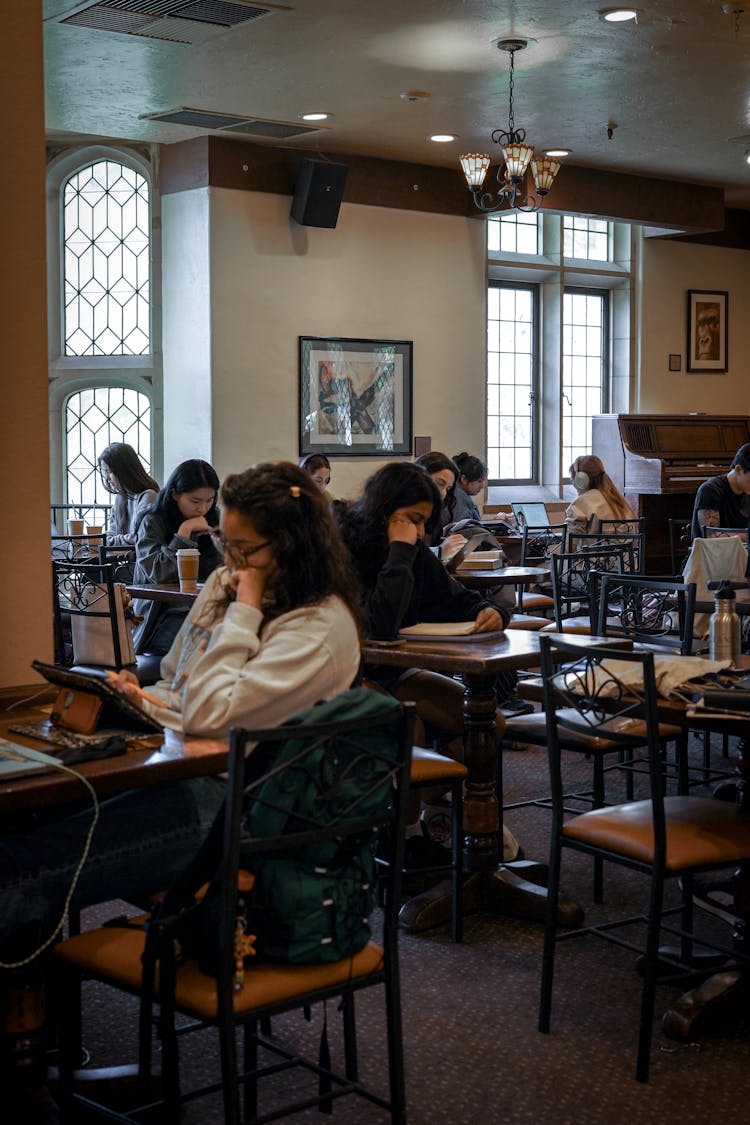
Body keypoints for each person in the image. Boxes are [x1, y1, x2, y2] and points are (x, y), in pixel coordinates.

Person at [0, 461, 362, 944]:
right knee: (27, 819)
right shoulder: (227, 584)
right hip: (181, 767)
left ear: (294, 547)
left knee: (25, 868)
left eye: (245, 550)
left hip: (241, 811)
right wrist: (137, 700)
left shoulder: (316, 627)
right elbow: (179, 682)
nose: (229, 564)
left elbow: (210, 713)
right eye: (224, 544)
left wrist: (244, 614)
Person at [334, 462, 514, 862]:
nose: (419, 533)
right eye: (412, 520)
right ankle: (408, 838)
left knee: (488, 724)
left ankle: (417, 808)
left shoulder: (414, 551)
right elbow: (379, 626)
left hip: (392, 671)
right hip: (345, 674)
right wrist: (399, 551)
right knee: (408, 722)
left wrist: (490, 611)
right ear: (384, 511)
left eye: (424, 523)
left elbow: (454, 597)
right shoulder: (345, 547)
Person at [132, 459, 223, 656]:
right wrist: (182, 536)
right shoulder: (152, 521)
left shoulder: (213, 518)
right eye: (195, 501)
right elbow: (159, 575)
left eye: (210, 500)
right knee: (205, 645)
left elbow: (223, 568)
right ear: (175, 494)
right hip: (161, 617)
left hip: (204, 610)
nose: (203, 509)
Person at [98, 442, 159, 546]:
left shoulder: (148, 496)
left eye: (110, 472)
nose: (107, 478)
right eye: (105, 472)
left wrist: (104, 541)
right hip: (124, 559)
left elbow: (140, 538)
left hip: (141, 561)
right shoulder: (120, 497)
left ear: (124, 471)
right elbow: (112, 533)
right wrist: (99, 539)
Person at [691, 442, 750, 539]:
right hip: (711, 552)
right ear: (738, 469)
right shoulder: (711, 489)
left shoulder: (747, 491)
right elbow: (711, 537)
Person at [565, 454, 635, 535]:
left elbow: (570, 545)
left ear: (580, 481)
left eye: (572, 479)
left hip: (595, 548)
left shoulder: (581, 503)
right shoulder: (620, 502)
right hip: (623, 548)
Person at [452, 452, 488, 523]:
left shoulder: (460, 494)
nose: (482, 486)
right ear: (464, 479)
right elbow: (465, 531)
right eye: (479, 481)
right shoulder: (459, 498)